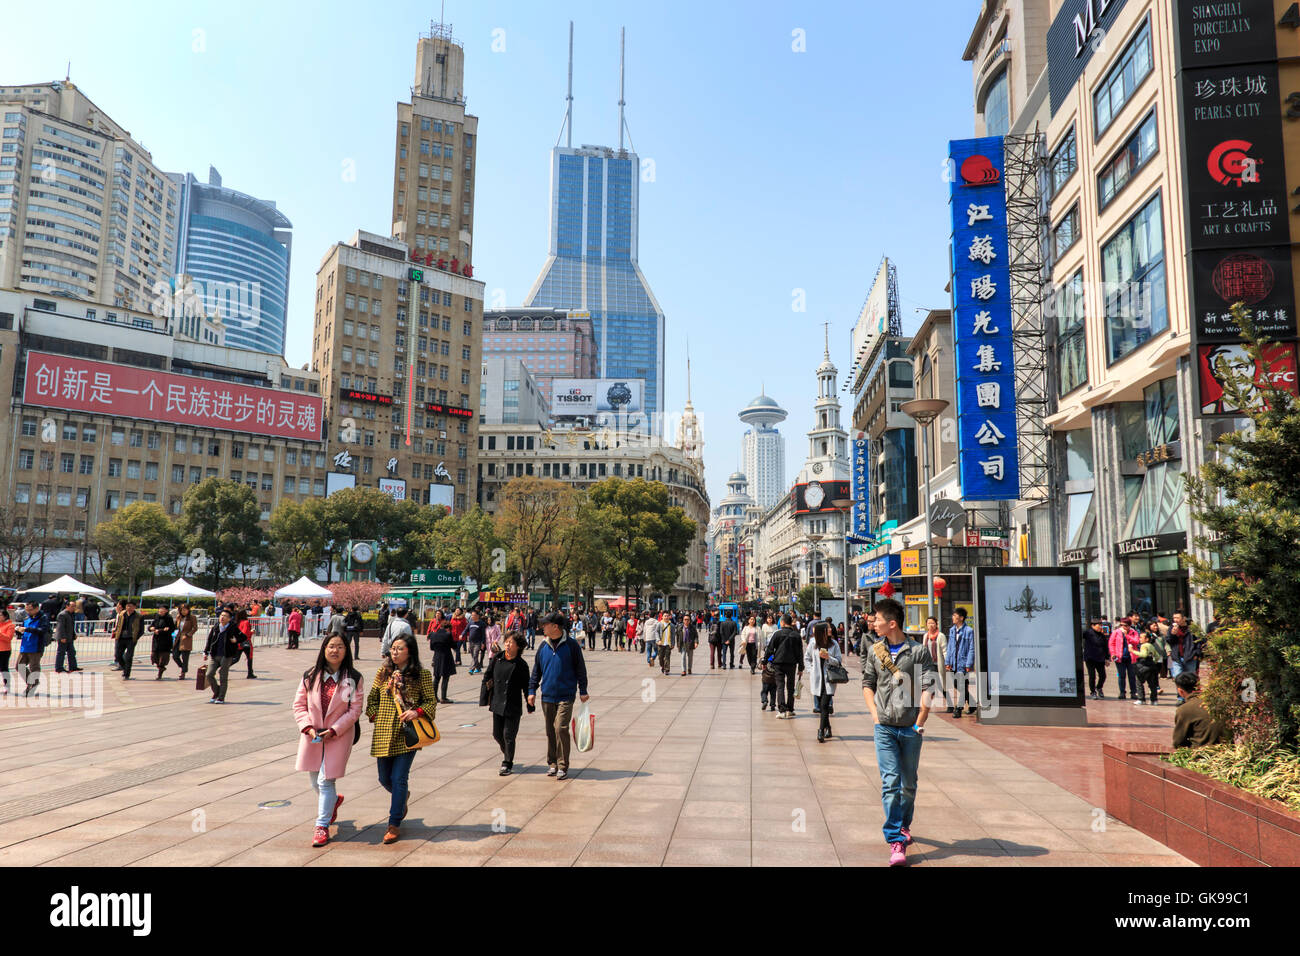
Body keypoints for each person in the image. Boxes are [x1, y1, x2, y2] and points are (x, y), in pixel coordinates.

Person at [861, 597, 938, 867]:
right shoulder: (875, 650)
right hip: (884, 728)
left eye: (878, 619)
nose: (874, 622)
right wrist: (874, 715)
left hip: (909, 728)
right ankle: (895, 839)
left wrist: (920, 719)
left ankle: (904, 824)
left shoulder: (917, 652)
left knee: (908, 785)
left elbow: (930, 685)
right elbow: (868, 683)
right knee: (890, 783)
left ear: (892, 623)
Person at [294, 633, 365, 847]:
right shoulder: (310, 675)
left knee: (326, 780)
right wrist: (307, 727)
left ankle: (321, 826)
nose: (335, 650)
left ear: (347, 650)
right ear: (324, 649)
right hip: (313, 735)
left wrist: (335, 729)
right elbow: (298, 705)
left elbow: (355, 710)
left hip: (339, 736)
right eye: (331, 646)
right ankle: (333, 802)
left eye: (340, 646)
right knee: (315, 781)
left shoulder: (353, 677)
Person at [366, 635, 437, 845]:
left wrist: (417, 712)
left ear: (410, 652)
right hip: (383, 733)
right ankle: (402, 796)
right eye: (393, 648)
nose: (394, 652)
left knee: (399, 778)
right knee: (384, 779)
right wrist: (376, 715)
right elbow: (372, 701)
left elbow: (431, 702)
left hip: (406, 734)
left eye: (399, 649)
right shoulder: (383, 672)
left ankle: (394, 823)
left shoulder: (421, 675)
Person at [527, 612, 590, 780]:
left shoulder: (571, 645)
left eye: (545, 624)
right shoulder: (543, 645)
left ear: (555, 626)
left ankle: (563, 765)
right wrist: (531, 691)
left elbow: (580, 669)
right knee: (550, 731)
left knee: (560, 728)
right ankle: (552, 763)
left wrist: (583, 690)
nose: (542, 627)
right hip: (547, 695)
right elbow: (536, 671)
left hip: (566, 695)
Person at [481, 630, 533, 775]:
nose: (508, 645)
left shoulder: (521, 665)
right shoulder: (497, 658)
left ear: (518, 647)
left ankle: (507, 762)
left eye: (511, 643)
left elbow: (526, 686)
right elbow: (487, 676)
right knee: (497, 734)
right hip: (497, 702)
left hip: (512, 704)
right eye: (507, 642)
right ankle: (508, 753)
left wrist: (529, 703)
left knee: (509, 735)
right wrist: (484, 697)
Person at [805, 620, 843, 742]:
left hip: (829, 679)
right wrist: (810, 670)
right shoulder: (813, 643)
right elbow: (807, 658)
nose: (831, 630)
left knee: (824, 705)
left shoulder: (834, 644)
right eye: (828, 629)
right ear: (822, 632)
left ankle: (820, 730)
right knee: (823, 707)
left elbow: (839, 661)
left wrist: (828, 658)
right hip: (817, 678)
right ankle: (829, 728)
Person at [1172, 672, 1228, 748]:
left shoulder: (1184, 710)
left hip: (1201, 753)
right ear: (1199, 686)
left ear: (1180, 691)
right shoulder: (1218, 703)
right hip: (1225, 749)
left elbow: (1178, 742)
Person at [765, 613, 804, 718]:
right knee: (790, 687)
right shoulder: (796, 635)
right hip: (792, 664)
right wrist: (801, 667)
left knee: (780, 686)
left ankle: (782, 710)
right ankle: (790, 709)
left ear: (782, 622)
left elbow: (770, 649)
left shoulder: (777, 634)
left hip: (778, 663)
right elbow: (800, 652)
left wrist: (765, 661)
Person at [202, 609, 242, 703]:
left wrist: (235, 640)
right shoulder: (216, 627)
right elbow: (210, 639)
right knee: (209, 674)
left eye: (225, 616)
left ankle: (221, 697)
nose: (222, 617)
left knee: (223, 676)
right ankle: (217, 691)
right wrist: (206, 652)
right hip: (214, 654)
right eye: (221, 615)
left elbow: (242, 637)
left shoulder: (233, 627)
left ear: (229, 619)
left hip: (226, 655)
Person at [14, 601, 50, 698]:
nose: (28, 612)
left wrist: (27, 629)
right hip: (25, 646)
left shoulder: (43, 618)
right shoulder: (26, 618)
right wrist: (19, 630)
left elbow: (43, 630)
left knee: (34, 667)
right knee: (19, 666)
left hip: (36, 647)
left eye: (30, 610)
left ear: (36, 608)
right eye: (27, 610)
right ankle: (32, 682)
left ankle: (32, 684)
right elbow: (23, 629)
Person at [944, 608, 976, 717]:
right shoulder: (952, 630)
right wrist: (947, 661)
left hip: (963, 663)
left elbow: (972, 648)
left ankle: (958, 708)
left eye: (955, 615)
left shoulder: (969, 631)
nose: (953, 617)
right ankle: (972, 704)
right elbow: (950, 646)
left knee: (962, 686)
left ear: (961, 618)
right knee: (957, 685)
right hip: (954, 663)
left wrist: (969, 663)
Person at [1109, 613, 1142, 701]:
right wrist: (1113, 653)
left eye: (1125, 625)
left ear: (1129, 626)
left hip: (1131, 657)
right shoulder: (1116, 632)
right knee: (1121, 675)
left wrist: (1127, 635)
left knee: (1132, 675)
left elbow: (1136, 641)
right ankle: (1122, 692)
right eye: (1122, 625)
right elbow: (1111, 643)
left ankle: (1133, 692)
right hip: (1119, 657)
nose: (1123, 627)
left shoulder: (1133, 632)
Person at [426, 611, 457, 703]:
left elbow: (431, 648)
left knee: (436, 677)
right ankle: (443, 697)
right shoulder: (448, 635)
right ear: (448, 628)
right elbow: (454, 646)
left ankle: (434, 697)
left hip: (436, 657)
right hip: (446, 657)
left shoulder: (433, 634)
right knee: (445, 678)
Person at [1135, 622, 1166, 706]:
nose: (1140, 639)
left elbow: (1143, 655)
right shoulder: (1152, 646)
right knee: (1152, 684)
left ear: (1147, 639)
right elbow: (1156, 656)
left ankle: (1141, 699)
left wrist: (1133, 651)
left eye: (1141, 637)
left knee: (1139, 682)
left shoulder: (1144, 646)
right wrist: (1154, 662)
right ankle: (1154, 700)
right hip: (1152, 665)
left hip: (1143, 665)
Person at [115, 600, 144, 680]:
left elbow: (141, 630)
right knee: (118, 655)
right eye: (127, 606)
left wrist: (136, 637)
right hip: (121, 638)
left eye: (131, 606)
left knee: (129, 657)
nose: (129, 608)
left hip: (131, 639)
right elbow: (118, 625)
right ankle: (125, 669)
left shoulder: (139, 616)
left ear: (134, 607)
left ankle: (127, 674)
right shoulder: (122, 614)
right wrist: (117, 632)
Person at [1166, 612, 1199, 679]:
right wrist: (1173, 634)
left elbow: (1199, 641)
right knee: (1177, 678)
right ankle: (1180, 690)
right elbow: (1169, 641)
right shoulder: (1172, 628)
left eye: (1177, 618)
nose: (1175, 620)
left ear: (1184, 618)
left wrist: (1197, 654)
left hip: (1190, 657)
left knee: (1190, 678)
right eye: (1174, 618)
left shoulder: (1192, 628)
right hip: (1177, 657)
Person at [1082, 619, 1109, 700]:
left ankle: (1099, 687)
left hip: (1100, 658)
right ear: (1093, 625)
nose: (1100, 627)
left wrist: (1107, 658)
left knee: (1103, 676)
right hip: (1090, 658)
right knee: (1092, 676)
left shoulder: (1102, 635)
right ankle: (1093, 691)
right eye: (1098, 625)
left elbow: (1105, 647)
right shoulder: (1088, 633)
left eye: (1101, 625)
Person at [172, 604, 198, 681]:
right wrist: (177, 620)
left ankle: (183, 672)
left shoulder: (192, 617)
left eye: (185, 609)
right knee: (175, 655)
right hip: (178, 638)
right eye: (182, 610)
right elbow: (176, 627)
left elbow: (195, 628)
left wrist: (188, 634)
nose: (183, 611)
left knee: (185, 657)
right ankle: (183, 667)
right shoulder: (179, 617)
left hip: (186, 639)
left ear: (188, 610)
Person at [54, 598, 81, 673]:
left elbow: (71, 626)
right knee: (61, 653)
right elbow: (60, 627)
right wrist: (62, 637)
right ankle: (59, 667)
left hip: (69, 637)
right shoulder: (62, 614)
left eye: (74, 606)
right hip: (63, 637)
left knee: (72, 652)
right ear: (67, 606)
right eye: (72, 606)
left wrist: (74, 634)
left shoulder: (71, 614)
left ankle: (73, 666)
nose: (74, 608)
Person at [149, 607, 175, 680]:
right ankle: (161, 668)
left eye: (163, 609)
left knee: (162, 659)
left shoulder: (169, 618)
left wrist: (161, 630)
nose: (161, 611)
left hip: (165, 641)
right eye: (160, 609)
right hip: (156, 641)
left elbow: (172, 628)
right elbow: (151, 625)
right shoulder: (156, 617)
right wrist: (151, 628)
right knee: (154, 657)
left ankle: (160, 673)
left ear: (166, 611)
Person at [465, 608, 488, 675]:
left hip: (478, 643)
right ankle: (478, 668)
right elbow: (466, 630)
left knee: (475, 655)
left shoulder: (481, 623)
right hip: (471, 642)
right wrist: (462, 635)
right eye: (472, 615)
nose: (472, 616)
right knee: (473, 656)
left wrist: (483, 643)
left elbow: (483, 634)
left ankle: (471, 669)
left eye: (474, 615)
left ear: (478, 616)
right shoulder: (470, 623)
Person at [236, 607, 257, 679]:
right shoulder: (246, 622)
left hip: (238, 643)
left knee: (236, 658)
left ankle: (223, 667)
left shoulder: (238, 622)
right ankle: (250, 673)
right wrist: (251, 632)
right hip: (246, 642)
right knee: (250, 658)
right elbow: (245, 633)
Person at [657, 611, 674, 675]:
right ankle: (663, 666)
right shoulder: (659, 624)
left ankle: (667, 669)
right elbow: (656, 632)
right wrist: (658, 640)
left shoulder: (671, 625)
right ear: (662, 617)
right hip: (661, 643)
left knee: (667, 657)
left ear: (669, 616)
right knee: (660, 657)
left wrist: (673, 643)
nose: (666, 617)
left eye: (667, 616)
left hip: (668, 644)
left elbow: (673, 635)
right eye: (665, 616)